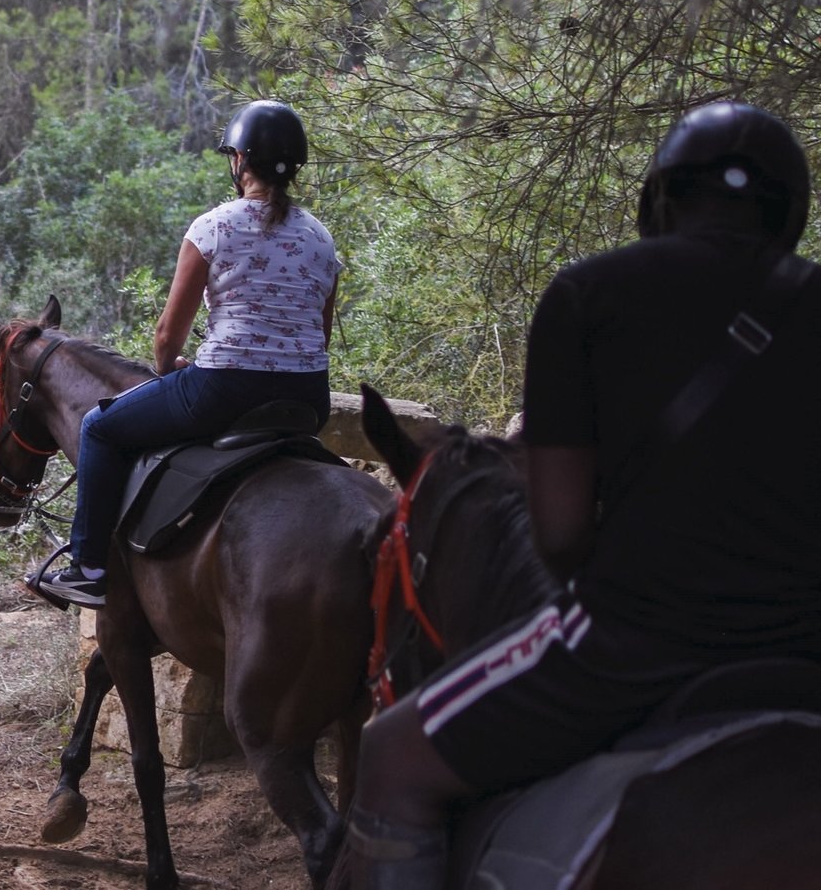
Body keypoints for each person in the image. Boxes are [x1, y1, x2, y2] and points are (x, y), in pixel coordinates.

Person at [344, 101, 821, 888]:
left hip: (631, 646)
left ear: (661, 198)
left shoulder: (588, 295)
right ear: (789, 211)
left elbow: (559, 532)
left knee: (388, 757)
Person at [28, 99, 344, 609]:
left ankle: (87, 568)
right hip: (307, 397)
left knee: (100, 429)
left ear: (239, 159)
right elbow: (319, 336)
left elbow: (167, 334)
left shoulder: (214, 227)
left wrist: (165, 372)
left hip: (224, 390)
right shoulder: (321, 239)